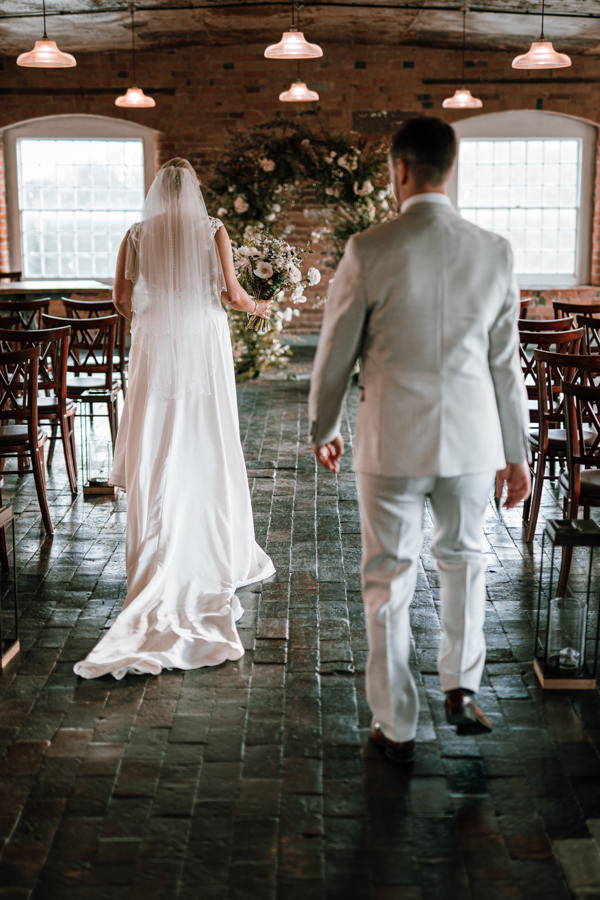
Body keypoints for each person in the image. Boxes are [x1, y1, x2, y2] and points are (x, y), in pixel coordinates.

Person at [308, 117, 530, 763]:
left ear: (399, 169)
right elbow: (504, 364)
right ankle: (461, 688)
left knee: (388, 579)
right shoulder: (494, 249)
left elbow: (334, 354)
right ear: (449, 169)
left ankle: (396, 723)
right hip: (471, 440)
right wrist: (515, 452)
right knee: (465, 563)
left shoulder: (369, 248)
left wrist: (326, 428)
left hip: (391, 441)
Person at [74, 158, 275, 679]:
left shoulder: (136, 233)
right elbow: (231, 294)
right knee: (206, 432)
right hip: (204, 340)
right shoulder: (213, 230)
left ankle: (159, 528)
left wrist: (151, 320)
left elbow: (120, 299)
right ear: (194, 195)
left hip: (157, 342)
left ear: (156, 194)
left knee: (158, 433)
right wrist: (259, 307)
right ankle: (213, 533)